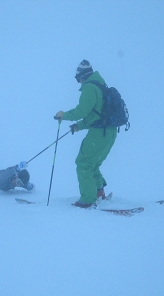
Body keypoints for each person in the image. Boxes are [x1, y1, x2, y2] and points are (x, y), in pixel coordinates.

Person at [54, 60, 117, 208]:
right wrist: (78, 126)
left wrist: (63, 115)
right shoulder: (101, 85)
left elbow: (81, 111)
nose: (78, 82)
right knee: (92, 164)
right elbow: (96, 116)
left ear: (83, 76)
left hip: (99, 134)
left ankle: (88, 199)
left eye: (78, 78)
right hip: (108, 133)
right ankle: (98, 192)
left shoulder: (90, 87)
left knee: (83, 164)